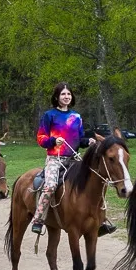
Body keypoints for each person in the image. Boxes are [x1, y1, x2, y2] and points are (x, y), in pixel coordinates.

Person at [31, 82, 116, 237]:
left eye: (69, 94)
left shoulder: (76, 117)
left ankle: (101, 220)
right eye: (63, 94)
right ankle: (38, 219)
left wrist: (88, 141)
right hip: (55, 159)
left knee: (97, 180)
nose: (66, 96)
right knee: (50, 186)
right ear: (57, 97)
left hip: (74, 159)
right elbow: (41, 138)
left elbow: (79, 139)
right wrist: (53, 141)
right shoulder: (49, 115)